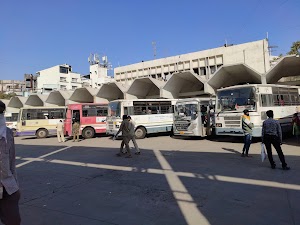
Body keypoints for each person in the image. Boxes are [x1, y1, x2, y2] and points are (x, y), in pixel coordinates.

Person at [0, 100, 21, 225]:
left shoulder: (7, 133)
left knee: (14, 221)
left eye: (1, 113)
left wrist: (15, 186)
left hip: (8, 188)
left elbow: (12, 160)